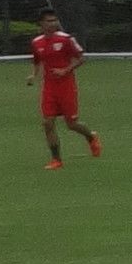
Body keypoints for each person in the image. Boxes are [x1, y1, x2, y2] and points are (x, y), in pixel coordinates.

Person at [28, 9, 102, 169]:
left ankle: (91, 137)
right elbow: (36, 60)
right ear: (41, 23)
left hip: (66, 87)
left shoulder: (66, 39)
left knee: (72, 124)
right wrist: (33, 75)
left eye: (54, 20)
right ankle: (56, 160)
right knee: (47, 123)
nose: (53, 23)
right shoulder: (36, 42)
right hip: (49, 88)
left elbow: (81, 58)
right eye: (49, 21)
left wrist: (65, 70)